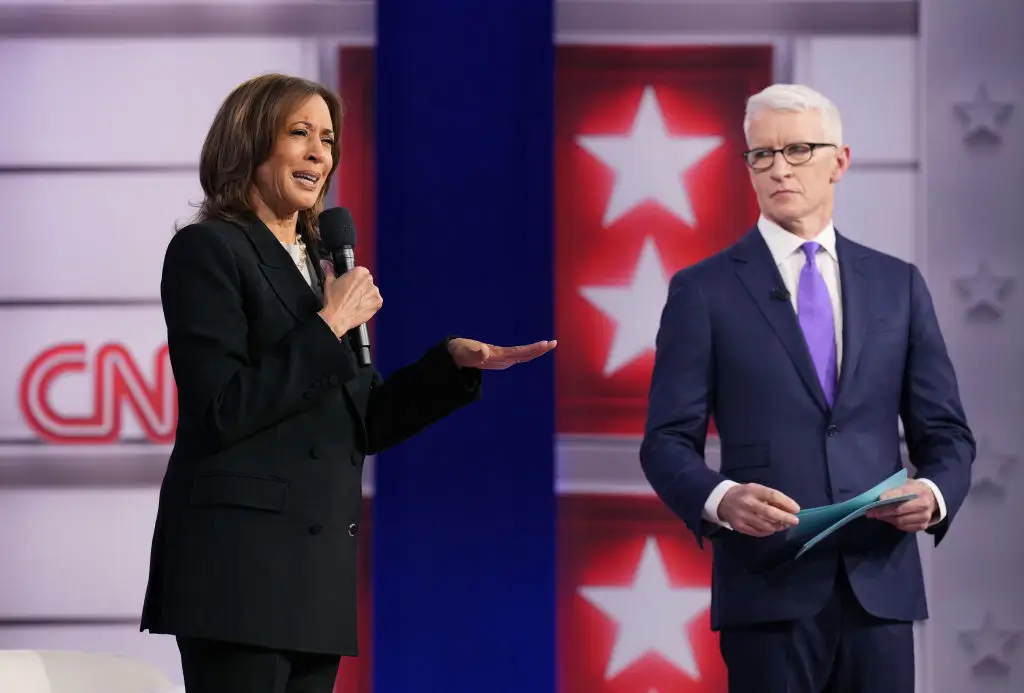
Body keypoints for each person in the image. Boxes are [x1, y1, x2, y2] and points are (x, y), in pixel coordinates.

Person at [140, 73, 556, 693]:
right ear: (249, 143)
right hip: (236, 574)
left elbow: (361, 422)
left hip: (315, 578)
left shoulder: (319, 266)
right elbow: (221, 409)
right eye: (299, 134)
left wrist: (449, 367)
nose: (318, 153)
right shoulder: (209, 250)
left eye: (328, 140)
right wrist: (330, 322)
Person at [640, 83, 974, 693]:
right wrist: (721, 500)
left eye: (796, 149)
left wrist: (934, 492)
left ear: (839, 161)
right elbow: (664, 442)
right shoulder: (704, 290)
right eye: (761, 155)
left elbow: (946, 433)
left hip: (880, 591)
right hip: (768, 590)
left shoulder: (897, 285)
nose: (778, 168)